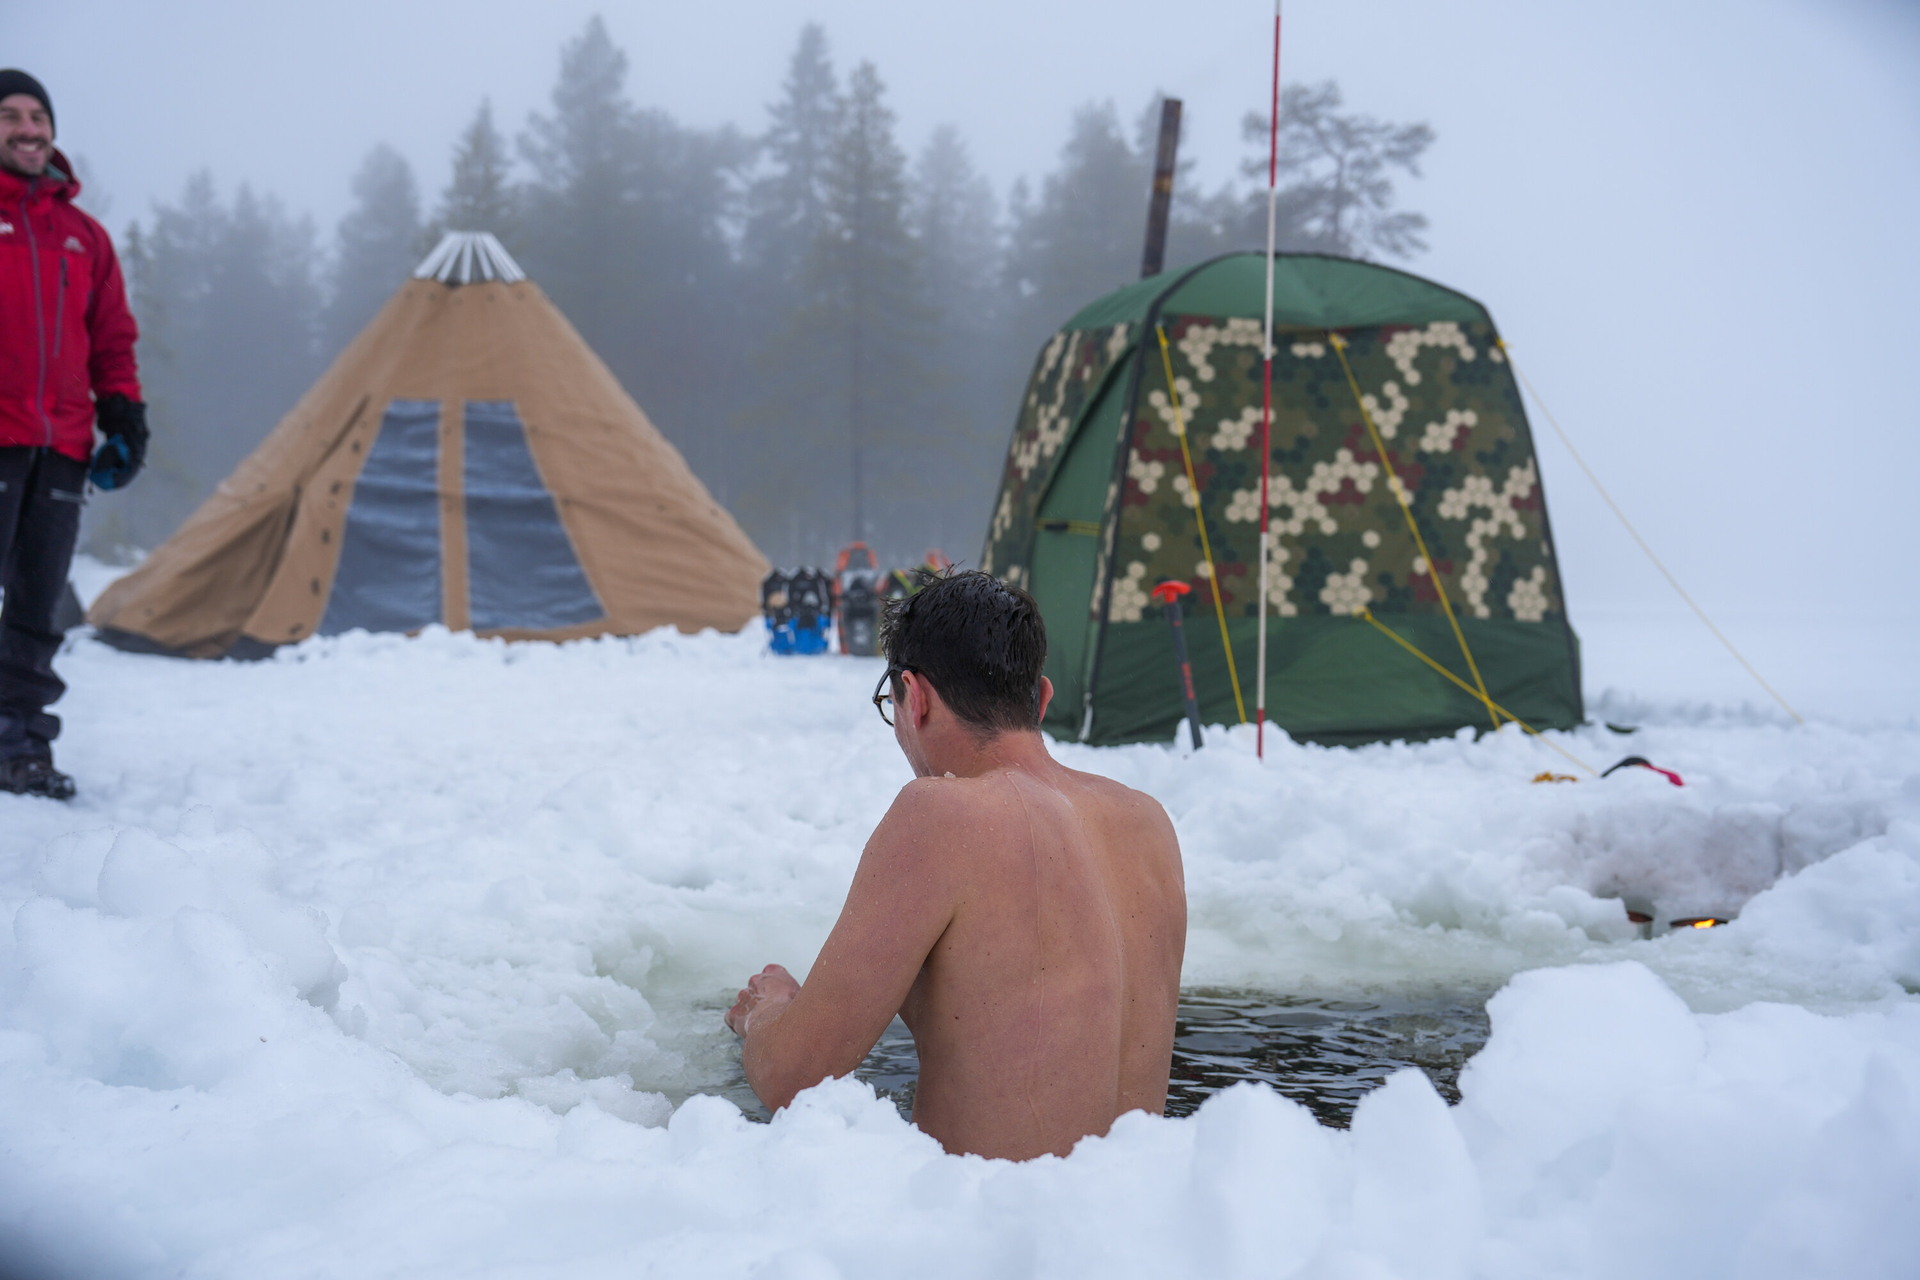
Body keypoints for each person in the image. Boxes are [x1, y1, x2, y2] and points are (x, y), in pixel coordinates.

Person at [726, 570, 1186, 1160]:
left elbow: (793, 1077)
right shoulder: (1146, 821)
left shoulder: (941, 816)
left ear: (913, 696)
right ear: (1042, 699)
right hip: (1134, 1203)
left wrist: (767, 1012)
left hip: (996, 1213)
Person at [0, 69, 146, 800]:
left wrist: (123, 415)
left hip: (60, 446)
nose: (28, 129)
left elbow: (111, 338)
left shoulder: (84, 237)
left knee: (36, 606)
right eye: (10, 116)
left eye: (38, 116)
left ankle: (19, 744)